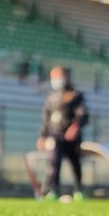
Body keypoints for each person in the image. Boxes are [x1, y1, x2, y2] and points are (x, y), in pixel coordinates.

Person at [37, 66, 89, 201]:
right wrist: (42, 136)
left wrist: (75, 126)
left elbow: (83, 115)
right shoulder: (51, 97)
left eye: (58, 77)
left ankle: (78, 190)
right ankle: (52, 190)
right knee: (54, 162)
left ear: (66, 77)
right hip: (55, 136)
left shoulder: (76, 95)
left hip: (71, 137)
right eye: (53, 77)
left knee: (75, 163)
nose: (55, 80)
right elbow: (46, 119)